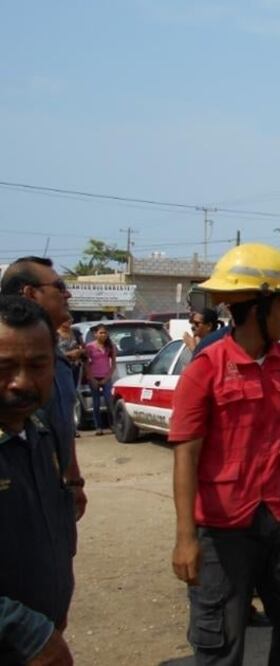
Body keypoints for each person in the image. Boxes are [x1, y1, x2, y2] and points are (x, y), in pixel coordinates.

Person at [168, 243, 280, 665]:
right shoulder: (206, 368)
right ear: (258, 308)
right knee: (221, 634)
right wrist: (186, 538)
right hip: (222, 528)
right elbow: (185, 455)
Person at [0, 296, 77, 666]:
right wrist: (29, 633)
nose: (21, 382)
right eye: (5, 367)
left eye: (37, 365)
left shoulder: (39, 433)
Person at [0, 257, 86, 520]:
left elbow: (62, 426)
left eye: (38, 365)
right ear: (30, 293)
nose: (67, 295)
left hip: (51, 488)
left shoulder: (59, 359)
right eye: (59, 287)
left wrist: (73, 478)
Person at [84, 324, 116, 436]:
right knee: (96, 403)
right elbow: (86, 364)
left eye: (105, 332)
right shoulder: (89, 347)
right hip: (93, 378)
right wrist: (92, 378)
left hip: (106, 377)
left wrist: (106, 378)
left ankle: (113, 424)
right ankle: (98, 427)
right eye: (101, 332)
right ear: (95, 334)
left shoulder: (110, 346)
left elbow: (113, 365)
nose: (103, 335)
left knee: (109, 401)